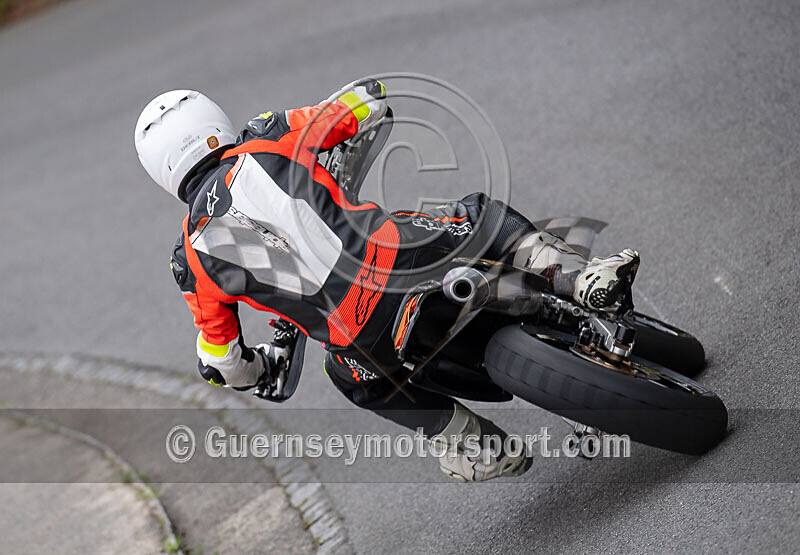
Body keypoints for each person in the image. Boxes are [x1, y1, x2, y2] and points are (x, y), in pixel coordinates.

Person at [134, 79, 639, 482]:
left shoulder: (190, 257)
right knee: (480, 215)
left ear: (161, 173)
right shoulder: (268, 136)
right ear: (213, 123)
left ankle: (474, 447)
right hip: (401, 259)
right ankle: (580, 278)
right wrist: (354, 108)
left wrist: (259, 365)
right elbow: (356, 109)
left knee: (353, 381)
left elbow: (223, 363)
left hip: (360, 340)